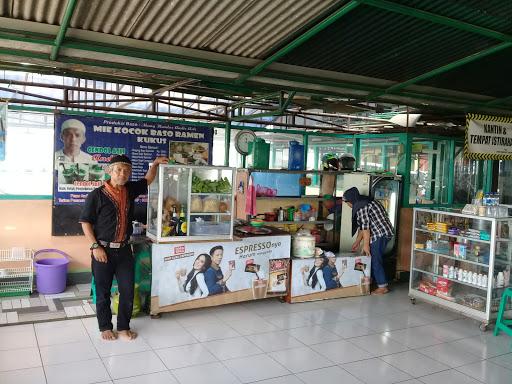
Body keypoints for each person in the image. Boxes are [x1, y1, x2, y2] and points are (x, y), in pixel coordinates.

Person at [79, 154, 168, 341]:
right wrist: (95, 246)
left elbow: (148, 179)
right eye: (118, 169)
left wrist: (156, 164)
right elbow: (85, 222)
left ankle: (123, 328)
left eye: (126, 170)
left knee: (128, 289)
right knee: (103, 291)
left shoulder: (130, 190)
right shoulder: (96, 195)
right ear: (110, 171)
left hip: (125, 250)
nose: (123, 173)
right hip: (102, 250)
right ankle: (105, 327)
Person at [343, 187, 393, 295]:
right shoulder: (365, 201)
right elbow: (362, 227)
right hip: (383, 231)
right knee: (372, 257)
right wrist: (357, 242)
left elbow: (366, 229)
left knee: (374, 258)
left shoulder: (361, 207)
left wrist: (365, 245)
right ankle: (372, 281)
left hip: (380, 233)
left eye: (347, 203)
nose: (348, 205)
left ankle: (382, 286)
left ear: (351, 201)